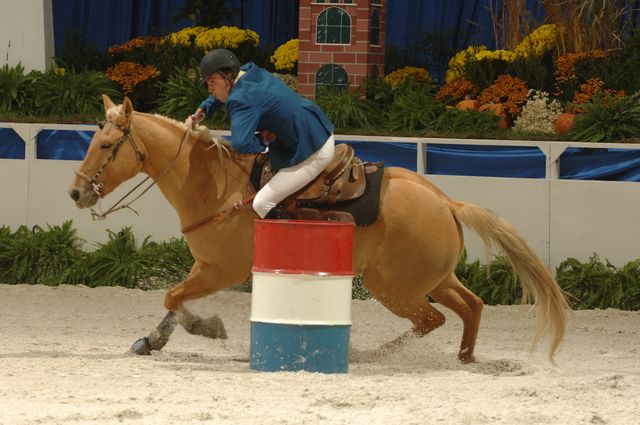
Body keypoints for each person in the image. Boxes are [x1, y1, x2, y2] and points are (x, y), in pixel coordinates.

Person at [186, 48, 335, 220]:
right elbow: (219, 94)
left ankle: (286, 246)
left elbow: (240, 144)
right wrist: (203, 110)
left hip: (313, 148)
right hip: (314, 126)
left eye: (212, 82)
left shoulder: (240, 99)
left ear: (227, 79)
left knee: (261, 203)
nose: (209, 89)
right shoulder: (248, 71)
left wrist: (263, 140)